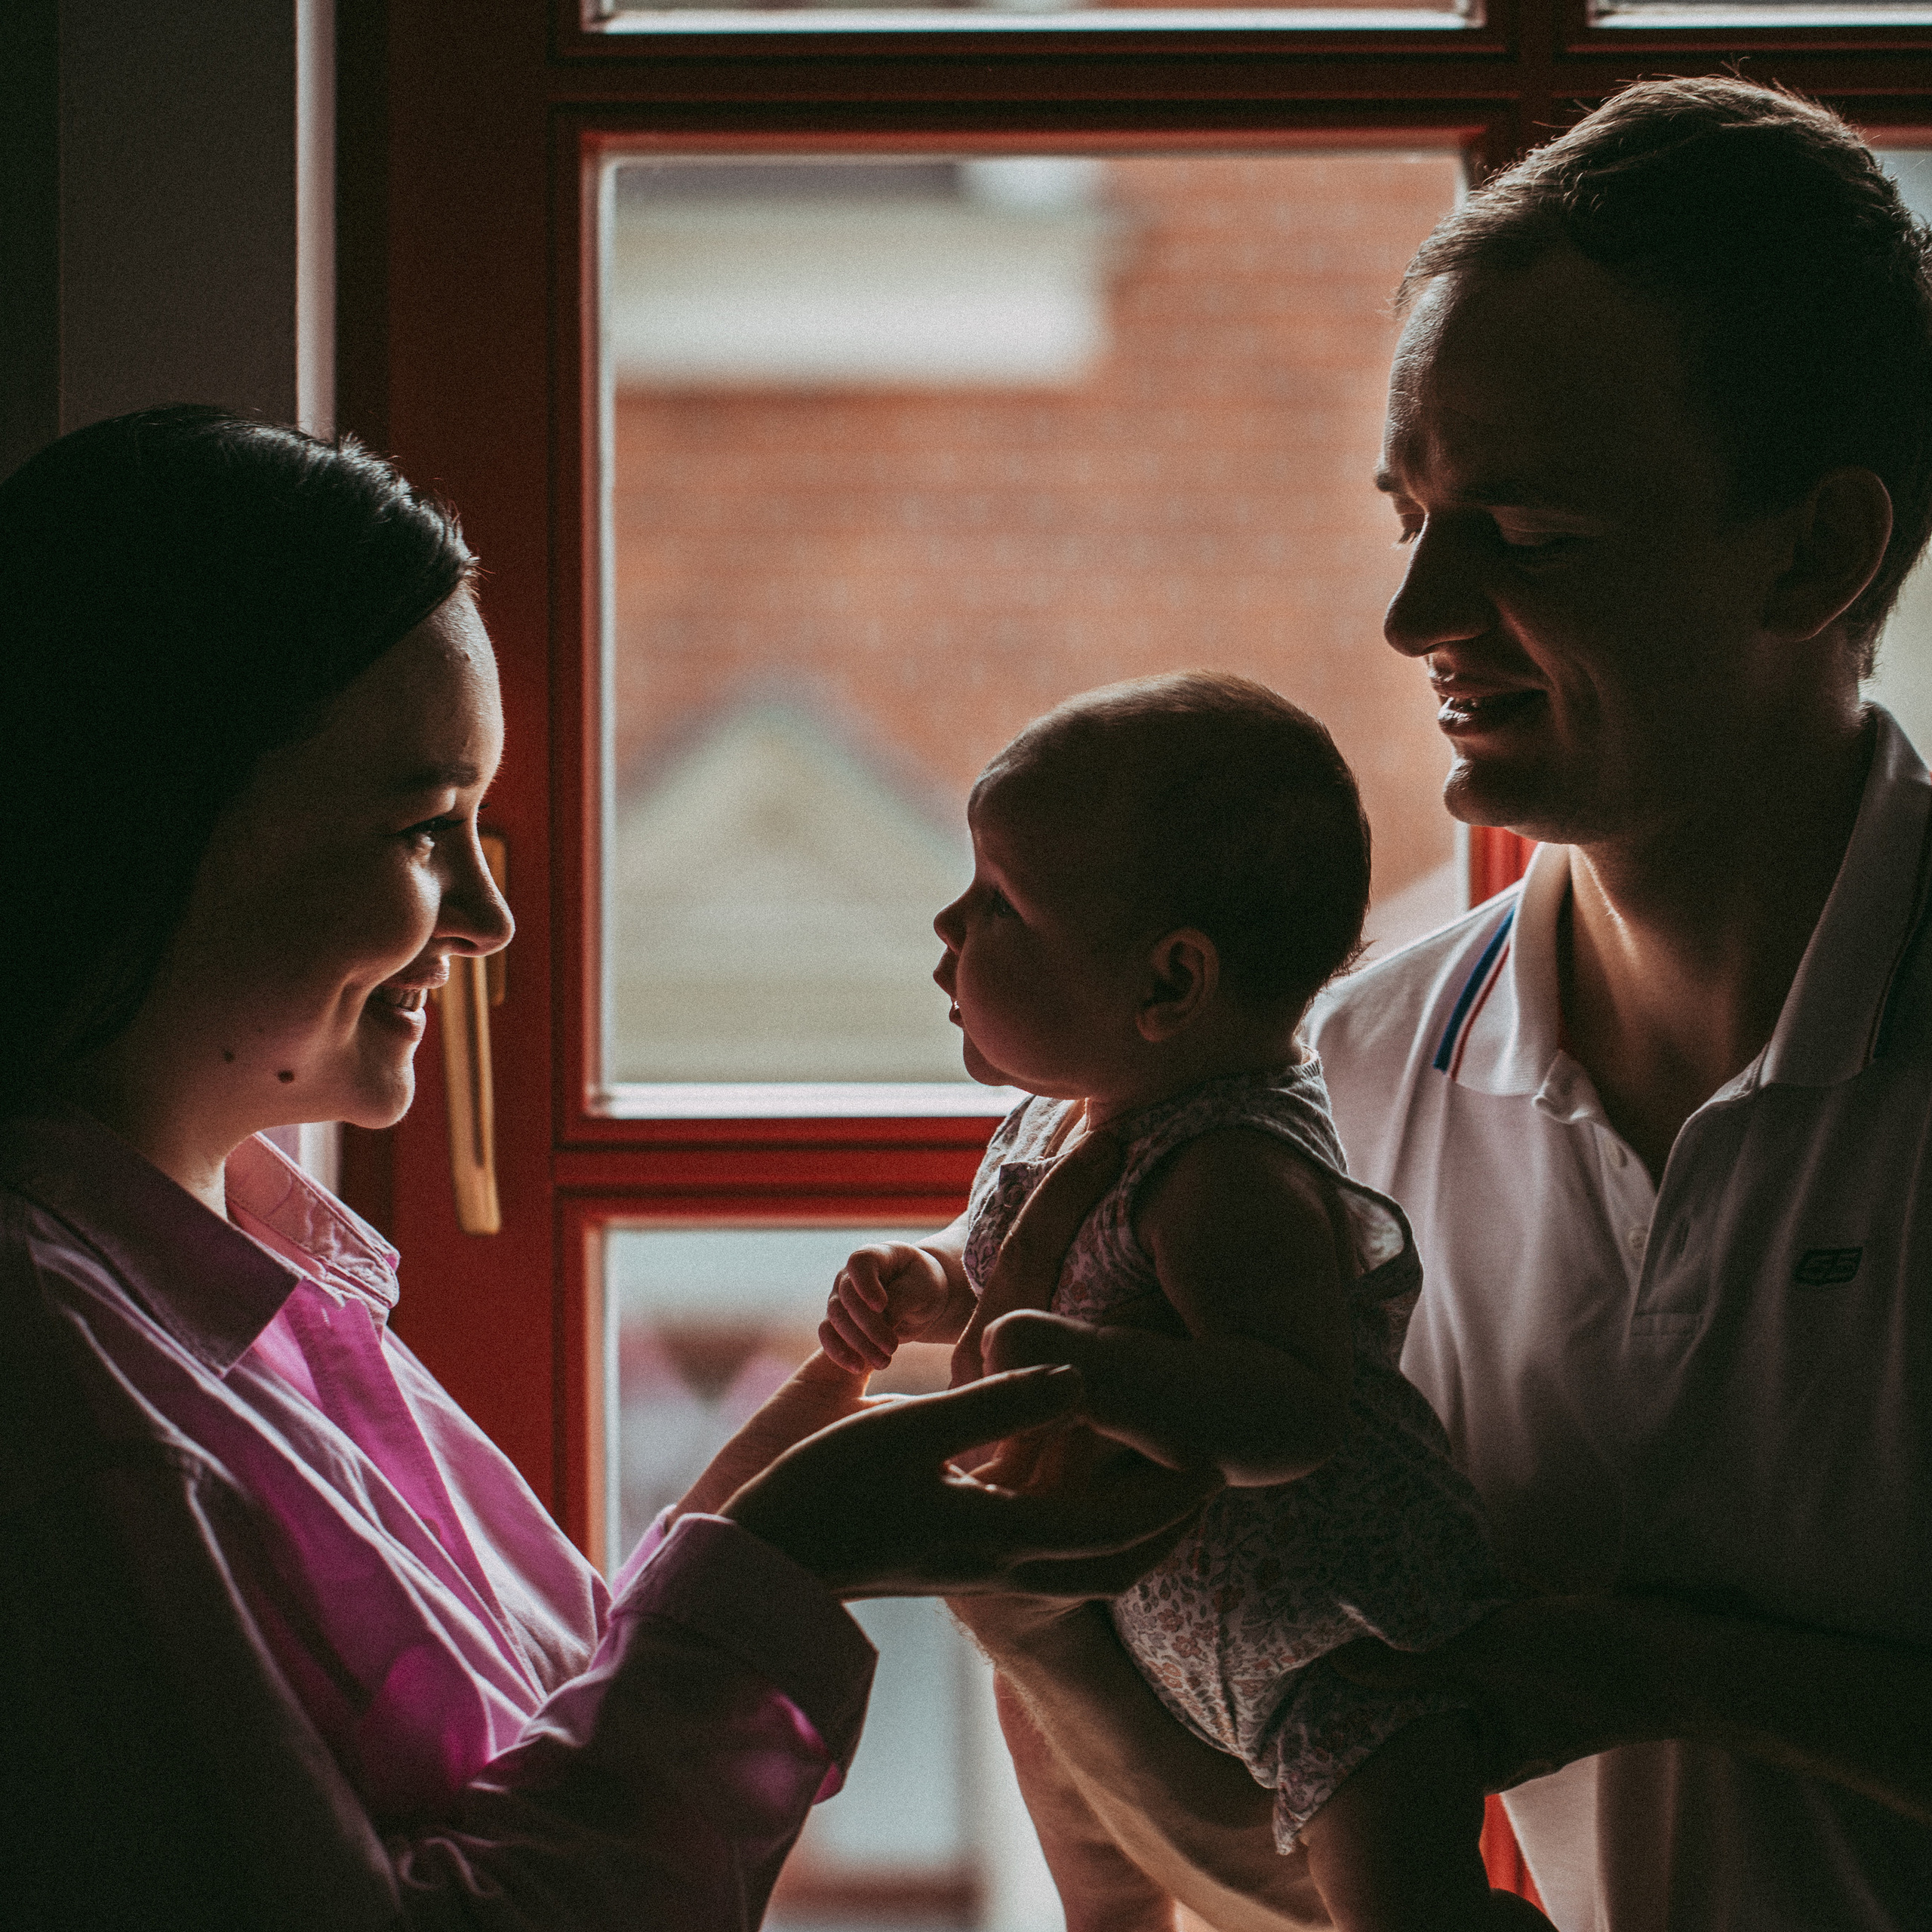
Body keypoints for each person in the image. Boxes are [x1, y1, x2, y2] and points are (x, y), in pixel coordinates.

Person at [0, 406, 1210, 1931]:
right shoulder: (52, 1390)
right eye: (425, 825)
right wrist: (784, 1555)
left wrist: (769, 1519)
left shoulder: (264, 1300)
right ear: (166, 809)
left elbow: (553, 1732)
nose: (489, 915)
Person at [947, 76, 1932, 1932]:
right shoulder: (1322, 1091)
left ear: (1813, 553)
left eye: (1528, 532)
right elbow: (1273, 1853)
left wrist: (1669, 1674)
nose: (1412, 616)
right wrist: (1038, 1622)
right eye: (1407, 511)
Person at [820, 674, 1540, 1930]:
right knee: (1068, 1803)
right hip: (1154, 1633)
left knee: (1409, 1908)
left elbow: (1292, 1410)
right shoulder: (1068, 1117)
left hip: (1335, 1652)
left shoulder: (1229, 1170)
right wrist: (927, 1278)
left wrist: (1101, 1378)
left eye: (1001, 905)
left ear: (1169, 983)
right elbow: (994, 1263)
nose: (949, 925)